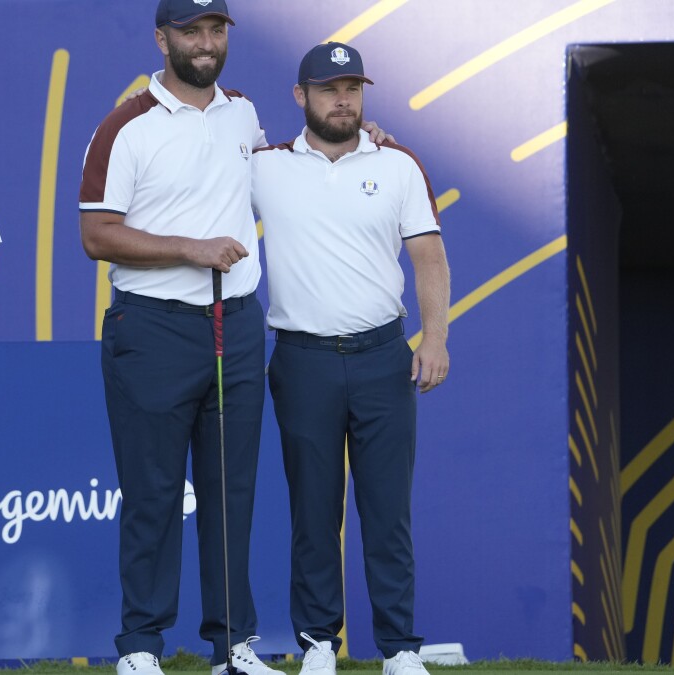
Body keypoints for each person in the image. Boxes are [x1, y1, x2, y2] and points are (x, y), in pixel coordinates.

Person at [78, 2, 287, 674]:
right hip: (153, 327)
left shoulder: (244, 114)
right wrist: (188, 249)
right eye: (191, 30)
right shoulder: (124, 125)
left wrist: (356, 140)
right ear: (162, 38)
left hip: (237, 324)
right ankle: (141, 644)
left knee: (232, 487)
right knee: (153, 491)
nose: (206, 42)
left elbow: (278, 186)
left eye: (216, 29)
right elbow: (97, 234)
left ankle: (234, 642)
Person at [251, 42, 451, 675]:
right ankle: (316, 643)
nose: (343, 100)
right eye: (329, 88)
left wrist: (436, 338)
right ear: (300, 96)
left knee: (387, 511)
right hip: (302, 359)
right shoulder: (263, 166)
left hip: (382, 356)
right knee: (313, 508)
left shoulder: (397, 164)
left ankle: (398, 648)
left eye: (353, 89)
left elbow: (428, 257)